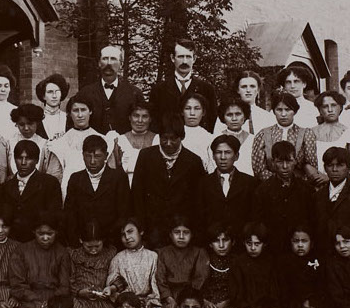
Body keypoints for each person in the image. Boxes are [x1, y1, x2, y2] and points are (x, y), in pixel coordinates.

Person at [132, 114, 205, 248]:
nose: (168, 143)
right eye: (164, 138)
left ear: (181, 137)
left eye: (173, 139)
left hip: (181, 230)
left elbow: (198, 201)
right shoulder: (146, 156)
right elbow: (137, 193)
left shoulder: (194, 161)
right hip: (152, 228)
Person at [10, 212, 71, 308]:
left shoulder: (62, 252)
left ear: (56, 233)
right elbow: (17, 284)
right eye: (41, 233)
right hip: (29, 298)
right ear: (34, 232)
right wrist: (35, 300)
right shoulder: (22, 250)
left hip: (55, 298)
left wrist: (50, 302)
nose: (45, 238)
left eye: (50, 234)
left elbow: (64, 286)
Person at [63, 134, 131, 247]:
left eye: (98, 156)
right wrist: (78, 242)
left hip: (111, 243)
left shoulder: (118, 178)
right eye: (88, 156)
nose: (92, 161)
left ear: (106, 156)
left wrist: (108, 241)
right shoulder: (75, 179)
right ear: (82, 156)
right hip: (83, 243)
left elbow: (124, 214)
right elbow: (70, 215)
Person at [45, 93, 116, 198]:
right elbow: (54, 177)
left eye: (83, 110)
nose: (80, 115)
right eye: (75, 111)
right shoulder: (59, 143)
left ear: (90, 111)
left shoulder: (104, 140)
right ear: (69, 113)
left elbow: (111, 172)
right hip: (69, 193)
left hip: (98, 194)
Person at [252, 141, 314, 254]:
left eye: (289, 161)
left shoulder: (306, 189)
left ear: (295, 161)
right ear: (273, 163)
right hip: (273, 250)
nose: (285, 166)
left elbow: (312, 221)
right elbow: (258, 223)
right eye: (280, 162)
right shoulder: (262, 190)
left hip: (299, 250)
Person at [196, 134, 257, 243]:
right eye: (219, 152)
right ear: (213, 156)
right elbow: (200, 218)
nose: (223, 157)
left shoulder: (250, 183)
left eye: (228, 152)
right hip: (211, 243)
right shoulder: (202, 183)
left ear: (237, 156)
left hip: (240, 245)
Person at [251, 92, 322, 184]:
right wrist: (278, 182)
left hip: (298, 186)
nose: (283, 114)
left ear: (295, 111)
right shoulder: (263, 135)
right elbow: (258, 168)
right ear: (273, 111)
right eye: (279, 110)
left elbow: (311, 166)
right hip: (270, 186)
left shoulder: (306, 134)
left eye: (287, 110)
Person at [149, 38, 216, 131]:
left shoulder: (206, 89)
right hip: (168, 142)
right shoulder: (159, 90)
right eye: (180, 57)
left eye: (188, 57)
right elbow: (153, 122)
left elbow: (211, 121)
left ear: (194, 59)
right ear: (172, 58)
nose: (184, 61)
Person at [106, 218, 162, 308]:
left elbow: (156, 284)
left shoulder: (153, 256)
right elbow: (113, 286)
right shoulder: (118, 259)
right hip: (125, 305)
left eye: (130, 232)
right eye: (123, 234)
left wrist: (151, 301)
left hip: (147, 304)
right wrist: (129, 301)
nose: (127, 237)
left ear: (141, 231)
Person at [5, 139, 62, 243]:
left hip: (38, 243)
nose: (23, 163)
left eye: (28, 158)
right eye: (19, 158)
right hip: (12, 243)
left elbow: (54, 216)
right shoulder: (7, 185)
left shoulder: (49, 183)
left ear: (36, 160)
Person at [77, 45, 142, 134]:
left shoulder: (134, 93)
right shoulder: (85, 92)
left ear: (121, 64)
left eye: (113, 59)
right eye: (105, 58)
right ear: (99, 63)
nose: (109, 63)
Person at [201, 223, 242, 308]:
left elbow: (239, 287)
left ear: (233, 242)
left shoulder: (236, 261)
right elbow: (197, 284)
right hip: (206, 302)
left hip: (228, 302)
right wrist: (204, 301)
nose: (221, 245)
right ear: (210, 244)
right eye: (216, 241)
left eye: (225, 240)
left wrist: (226, 302)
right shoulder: (204, 259)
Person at [69, 221, 117, 308]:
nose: (94, 250)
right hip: (80, 298)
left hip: (102, 299)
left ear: (103, 241)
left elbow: (116, 275)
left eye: (97, 246)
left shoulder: (110, 254)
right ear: (81, 240)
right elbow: (70, 279)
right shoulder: (74, 255)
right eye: (89, 246)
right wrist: (80, 292)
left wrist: (111, 289)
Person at [156, 216, 208, 308]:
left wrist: (185, 300)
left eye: (186, 232)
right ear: (170, 234)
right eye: (177, 232)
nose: (181, 236)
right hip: (168, 297)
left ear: (192, 234)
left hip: (192, 296)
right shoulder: (162, 253)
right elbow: (160, 279)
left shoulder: (199, 253)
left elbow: (200, 278)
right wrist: (169, 298)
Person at [236, 223, 280, 308]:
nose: (252, 248)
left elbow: (275, 290)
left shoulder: (270, 262)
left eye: (257, 244)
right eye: (249, 243)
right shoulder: (239, 262)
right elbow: (237, 290)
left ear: (264, 244)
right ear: (244, 243)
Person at [312, 91, 350, 184]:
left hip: (342, 185)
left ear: (340, 108)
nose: (330, 110)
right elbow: (308, 162)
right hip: (317, 184)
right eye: (325, 106)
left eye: (334, 105)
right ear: (320, 110)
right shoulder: (311, 133)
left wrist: (330, 178)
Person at [276, 227, 325, 308]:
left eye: (304, 241)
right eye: (296, 241)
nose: (300, 245)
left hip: (313, 307)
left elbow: (321, 288)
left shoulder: (318, 261)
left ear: (311, 243)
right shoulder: (285, 263)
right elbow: (283, 289)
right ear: (291, 242)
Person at [109, 98, 158, 187]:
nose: (140, 120)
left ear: (150, 119)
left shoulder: (157, 140)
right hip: (126, 189)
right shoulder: (120, 140)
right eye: (136, 116)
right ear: (129, 117)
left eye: (145, 116)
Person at [212, 96, 255, 175]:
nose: (234, 119)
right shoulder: (216, 139)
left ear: (245, 116)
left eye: (238, 114)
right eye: (229, 115)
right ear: (223, 117)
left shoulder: (253, 139)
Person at [6, 104, 49, 177]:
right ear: (17, 124)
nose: (26, 128)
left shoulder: (45, 145)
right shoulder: (9, 143)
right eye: (22, 124)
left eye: (30, 124)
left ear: (37, 123)